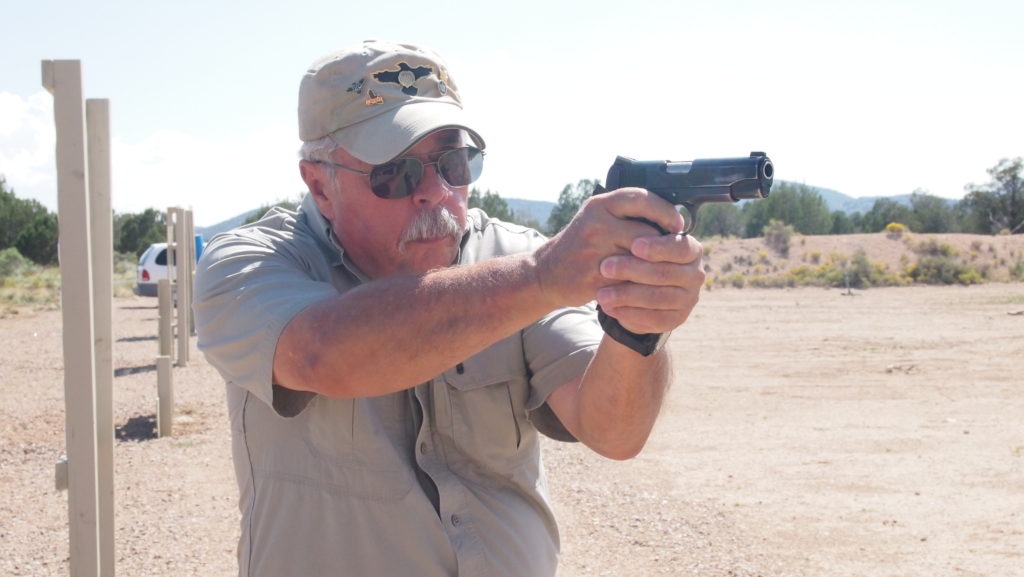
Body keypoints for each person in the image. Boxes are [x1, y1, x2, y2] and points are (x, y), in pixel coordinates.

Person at [194, 40, 705, 577]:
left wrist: (638, 325)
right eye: (396, 172)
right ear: (320, 185)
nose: (436, 191)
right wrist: (540, 277)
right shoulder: (250, 263)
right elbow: (323, 355)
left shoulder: (517, 257)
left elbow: (613, 431)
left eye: (454, 163)